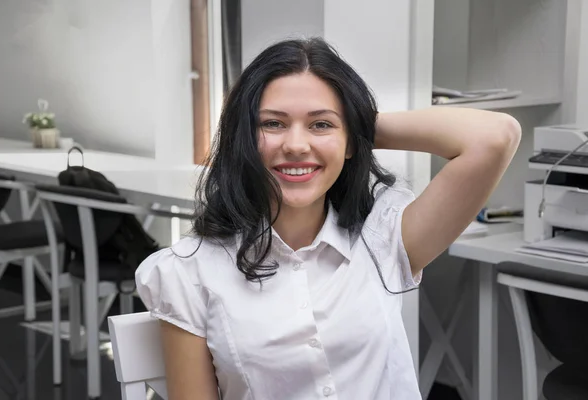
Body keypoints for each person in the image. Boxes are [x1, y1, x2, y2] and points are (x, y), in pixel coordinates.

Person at [135, 37, 521, 399]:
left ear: (352, 139)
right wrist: (332, 129)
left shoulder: (383, 236)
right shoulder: (188, 273)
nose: (297, 145)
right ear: (242, 138)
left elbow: (496, 136)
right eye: (273, 123)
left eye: (320, 124)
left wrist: (354, 124)